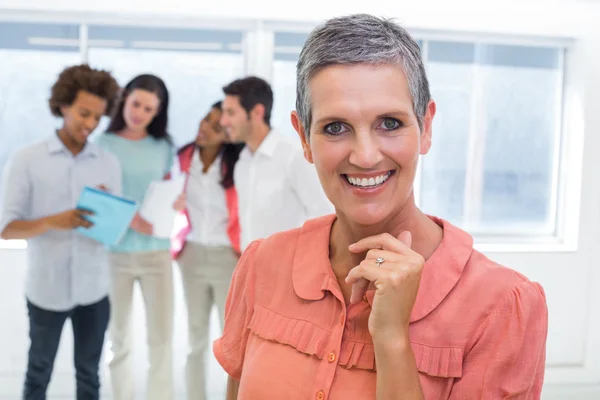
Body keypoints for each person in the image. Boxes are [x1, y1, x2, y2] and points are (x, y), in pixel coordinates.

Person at [214, 14, 548, 400]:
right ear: (304, 138)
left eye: (390, 123)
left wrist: (392, 341)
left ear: (426, 127)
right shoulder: (261, 265)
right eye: (335, 127)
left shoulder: (501, 305)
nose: (366, 155)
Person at [0, 64, 121, 400]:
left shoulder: (107, 163)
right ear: (64, 105)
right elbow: (6, 230)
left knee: (89, 376)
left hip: (94, 290)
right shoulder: (27, 160)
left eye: (98, 117)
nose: (90, 124)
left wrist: (109, 213)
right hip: (46, 290)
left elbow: (114, 233)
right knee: (38, 374)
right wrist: (55, 220)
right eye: (84, 113)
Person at [95, 74, 175, 400]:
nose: (139, 112)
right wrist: (132, 218)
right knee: (119, 339)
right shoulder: (103, 144)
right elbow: (96, 196)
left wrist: (176, 201)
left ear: (158, 112)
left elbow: (167, 191)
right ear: (124, 99)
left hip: (157, 254)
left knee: (161, 339)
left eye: (148, 108)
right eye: (136, 103)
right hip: (116, 254)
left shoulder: (164, 148)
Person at [171, 101, 244, 400]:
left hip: (228, 257)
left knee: (231, 341)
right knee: (195, 340)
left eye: (216, 126)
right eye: (206, 119)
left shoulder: (237, 165)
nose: (205, 128)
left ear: (227, 134)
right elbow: (166, 196)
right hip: (192, 255)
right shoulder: (183, 157)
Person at [220, 76, 333, 251]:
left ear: (257, 112)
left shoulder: (294, 155)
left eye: (231, 113)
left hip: (292, 269)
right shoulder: (242, 162)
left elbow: (326, 215)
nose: (223, 121)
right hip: (253, 269)